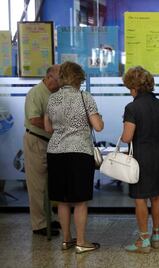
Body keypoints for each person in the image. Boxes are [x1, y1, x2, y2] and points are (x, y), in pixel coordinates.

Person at [44, 61, 104, 254]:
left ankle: (66, 240)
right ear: (79, 78)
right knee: (79, 201)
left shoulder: (52, 99)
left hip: (55, 152)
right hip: (79, 152)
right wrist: (95, 117)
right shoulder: (84, 97)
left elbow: (48, 128)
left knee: (62, 200)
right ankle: (81, 242)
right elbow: (98, 126)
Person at [121, 66, 159, 253]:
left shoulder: (132, 107)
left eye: (129, 88)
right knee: (157, 196)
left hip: (140, 158)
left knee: (141, 199)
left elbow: (127, 137)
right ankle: (156, 236)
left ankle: (143, 241)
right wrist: (153, 126)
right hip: (158, 155)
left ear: (134, 87)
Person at [24, 64, 61, 236]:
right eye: (58, 79)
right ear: (48, 77)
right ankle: (39, 224)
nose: (60, 83)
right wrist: (54, 128)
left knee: (48, 184)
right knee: (37, 184)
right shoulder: (36, 93)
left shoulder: (54, 93)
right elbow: (33, 119)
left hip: (49, 141)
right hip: (37, 140)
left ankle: (48, 218)